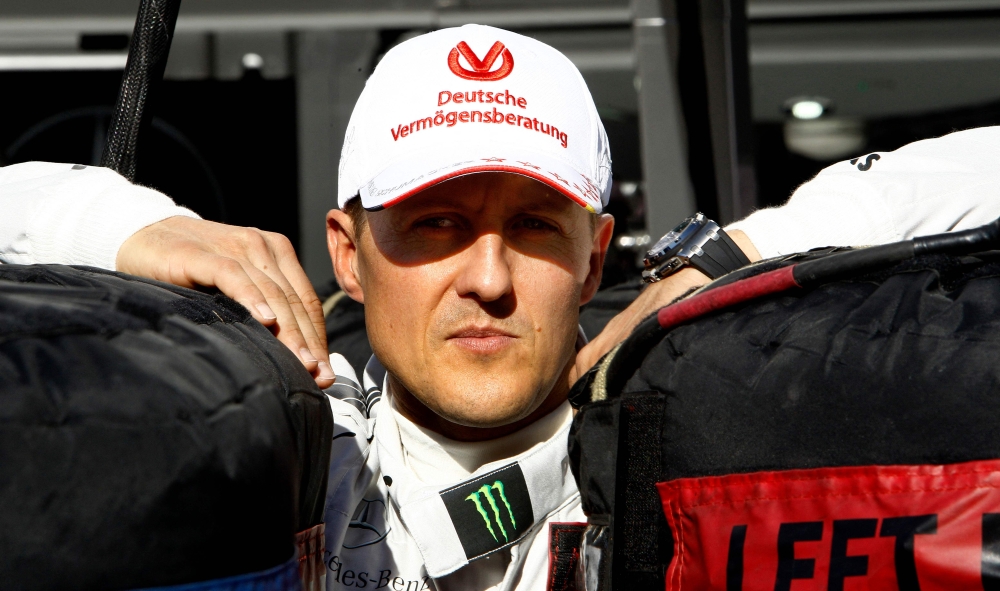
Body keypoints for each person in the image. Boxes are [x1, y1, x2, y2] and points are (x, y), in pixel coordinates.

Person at [3, 23, 1000, 591]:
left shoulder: (683, 442)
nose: (487, 277)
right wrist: (117, 223)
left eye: (533, 226)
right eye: (434, 224)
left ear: (597, 254)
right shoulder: (306, 458)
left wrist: (749, 247)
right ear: (349, 257)